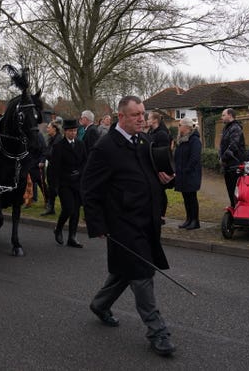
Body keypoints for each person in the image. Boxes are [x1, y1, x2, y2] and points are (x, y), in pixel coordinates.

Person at [82, 95, 176, 357]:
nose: (142, 119)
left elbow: (151, 177)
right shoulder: (105, 147)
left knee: (127, 270)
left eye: (143, 114)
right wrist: (97, 224)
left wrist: (165, 180)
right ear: (121, 117)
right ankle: (157, 331)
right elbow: (89, 189)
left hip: (147, 220)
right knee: (142, 274)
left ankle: (100, 304)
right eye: (136, 115)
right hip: (123, 224)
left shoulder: (143, 141)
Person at [51, 119, 87, 247]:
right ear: (65, 132)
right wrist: (54, 186)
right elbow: (54, 168)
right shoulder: (58, 146)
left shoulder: (80, 144)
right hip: (64, 183)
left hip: (77, 183)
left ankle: (72, 237)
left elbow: (84, 162)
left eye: (75, 131)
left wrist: (79, 172)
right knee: (68, 208)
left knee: (76, 211)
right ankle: (58, 229)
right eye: (70, 131)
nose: (73, 133)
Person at [174, 117, 202, 230]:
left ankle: (195, 221)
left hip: (191, 174)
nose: (179, 127)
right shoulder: (181, 140)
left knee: (191, 197)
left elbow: (194, 157)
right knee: (186, 197)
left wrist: (187, 169)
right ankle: (188, 219)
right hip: (182, 173)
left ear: (186, 127)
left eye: (180, 125)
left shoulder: (194, 140)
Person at [147, 111, 172, 224]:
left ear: (155, 120)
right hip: (151, 167)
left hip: (159, 167)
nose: (147, 120)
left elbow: (163, 152)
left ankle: (161, 215)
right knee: (155, 192)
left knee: (160, 192)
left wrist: (160, 169)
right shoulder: (151, 131)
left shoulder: (161, 133)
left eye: (149, 118)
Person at [219, 108, 246, 207]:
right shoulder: (226, 128)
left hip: (235, 163)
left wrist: (224, 158)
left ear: (229, 115)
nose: (221, 117)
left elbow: (233, 145)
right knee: (229, 187)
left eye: (223, 115)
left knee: (236, 188)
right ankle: (233, 206)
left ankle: (238, 208)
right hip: (228, 164)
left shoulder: (235, 128)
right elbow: (222, 145)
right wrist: (220, 156)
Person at [41, 121, 63, 216]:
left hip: (57, 169)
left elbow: (52, 153)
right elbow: (47, 151)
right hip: (51, 167)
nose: (47, 129)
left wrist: (46, 155)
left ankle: (66, 208)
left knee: (58, 189)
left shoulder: (58, 139)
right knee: (51, 189)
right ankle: (51, 208)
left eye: (49, 127)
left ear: (54, 129)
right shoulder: (51, 138)